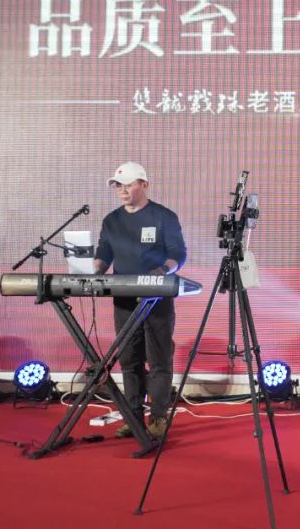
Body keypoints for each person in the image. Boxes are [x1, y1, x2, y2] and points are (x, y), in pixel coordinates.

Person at [93, 162, 187, 440]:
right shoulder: (111, 221)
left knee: (159, 359)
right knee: (129, 359)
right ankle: (133, 418)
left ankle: (158, 417)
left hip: (157, 298)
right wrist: (94, 270)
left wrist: (163, 271)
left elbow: (178, 253)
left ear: (144, 185)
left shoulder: (164, 216)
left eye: (128, 184)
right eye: (118, 185)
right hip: (123, 299)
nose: (122, 190)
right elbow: (104, 252)